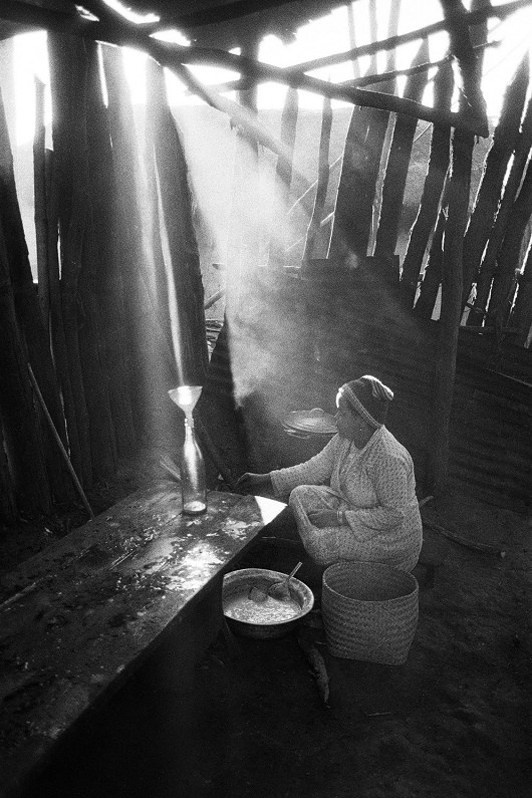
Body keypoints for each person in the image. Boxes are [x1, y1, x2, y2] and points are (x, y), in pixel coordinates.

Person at [236, 375, 422, 572]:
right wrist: (264, 479)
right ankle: (327, 551)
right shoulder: (344, 439)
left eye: (342, 413)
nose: (335, 417)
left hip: (390, 537)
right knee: (299, 495)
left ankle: (331, 564)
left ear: (361, 419)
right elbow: (311, 469)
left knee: (320, 544)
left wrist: (338, 518)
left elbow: (394, 515)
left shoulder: (388, 457)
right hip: (355, 509)